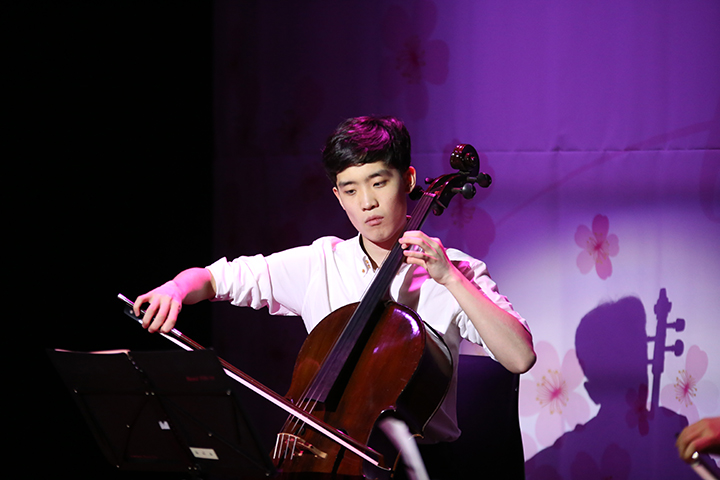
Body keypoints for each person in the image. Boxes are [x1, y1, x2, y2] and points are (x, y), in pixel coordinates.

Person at [133, 115, 535, 478]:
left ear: (409, 179)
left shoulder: (455, 270)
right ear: (338, 196)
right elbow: (215, 278)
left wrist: (450, 279)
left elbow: (520, 357)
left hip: (416, 466)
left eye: (379, 182)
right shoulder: (321, 262)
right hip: (321, 457)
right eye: (350, 189)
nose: (367, 203)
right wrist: (176, 289)